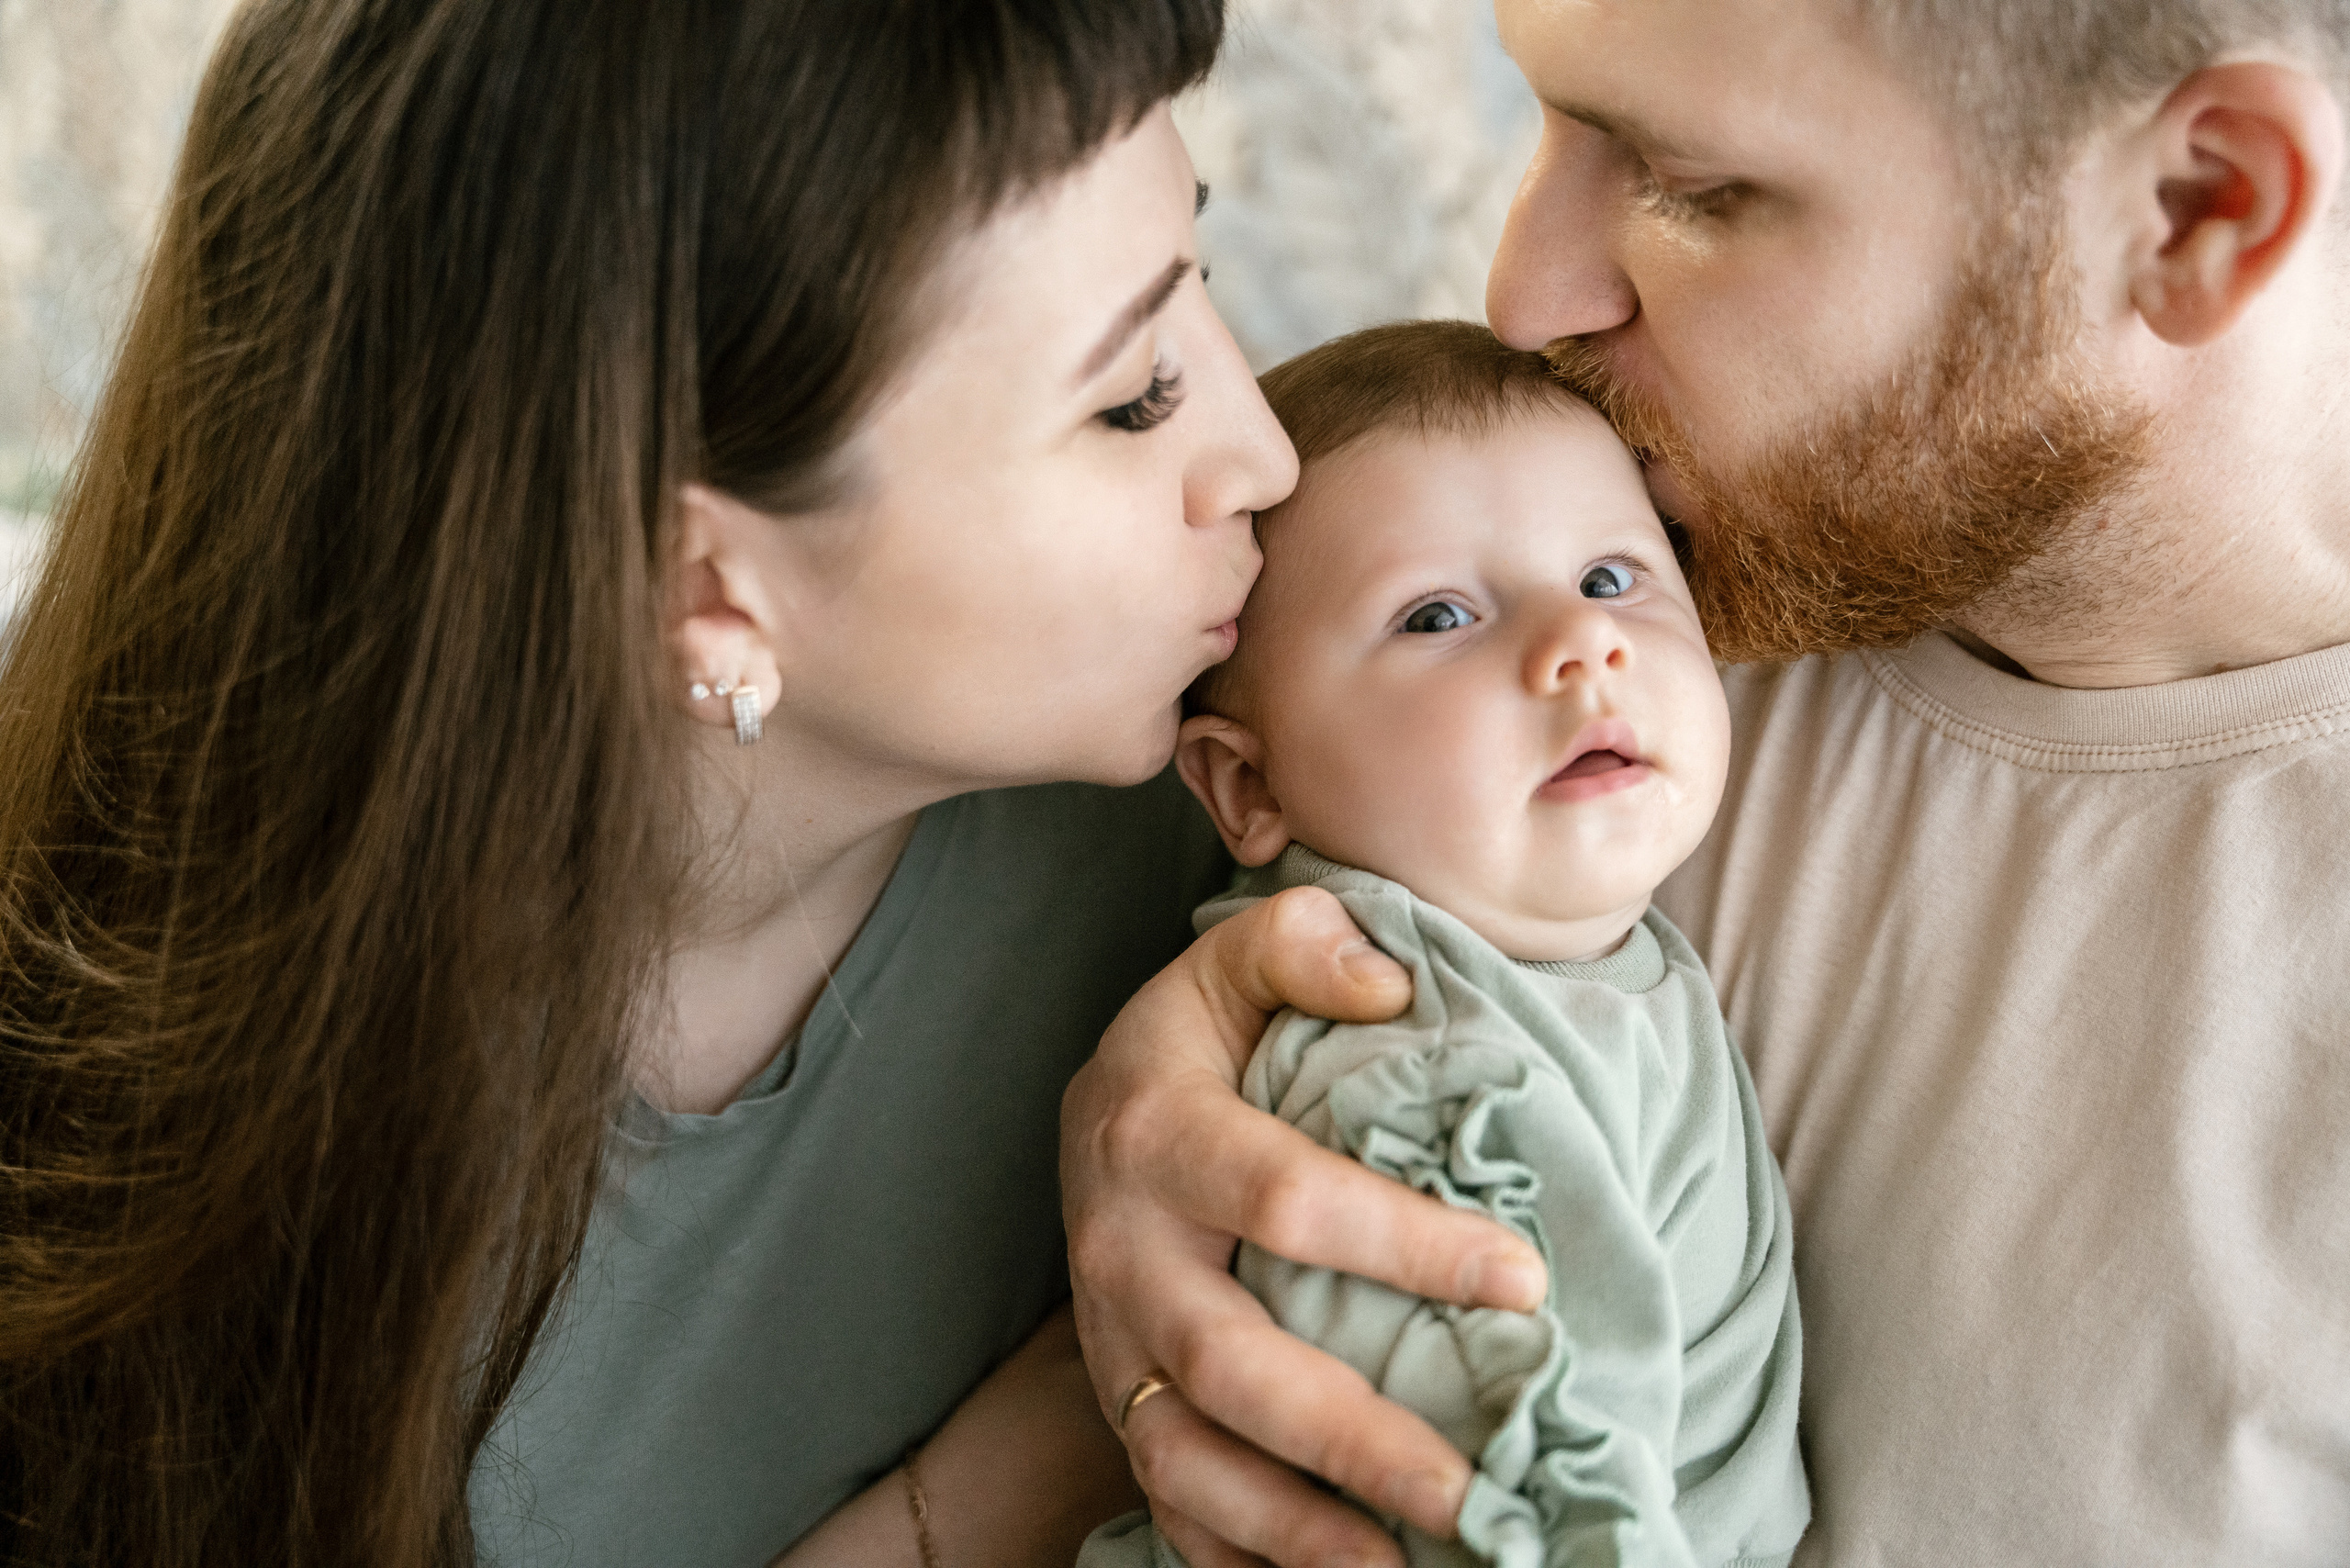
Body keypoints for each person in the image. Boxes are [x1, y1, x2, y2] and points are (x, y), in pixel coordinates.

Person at [0, 2, 1296, 1565]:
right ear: (705, 585)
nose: (1267, 452)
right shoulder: (107, 1104)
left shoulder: (1275, 785)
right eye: (1135, 395)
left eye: (1200, 282)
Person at [1060, 2, 2350, 1565]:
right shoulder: (1539, 588)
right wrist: (1138, 1234)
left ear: (2202, 207)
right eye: (1548, 121)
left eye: (1691, 184)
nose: (1524, 291)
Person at [1081, 319, 1807, 1568]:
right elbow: (1497, 1505)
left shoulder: (1566, 971)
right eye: (1436, 615)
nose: (1581, 644)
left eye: (1612, 578)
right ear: (1249, 791)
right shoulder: (1415, 1075)